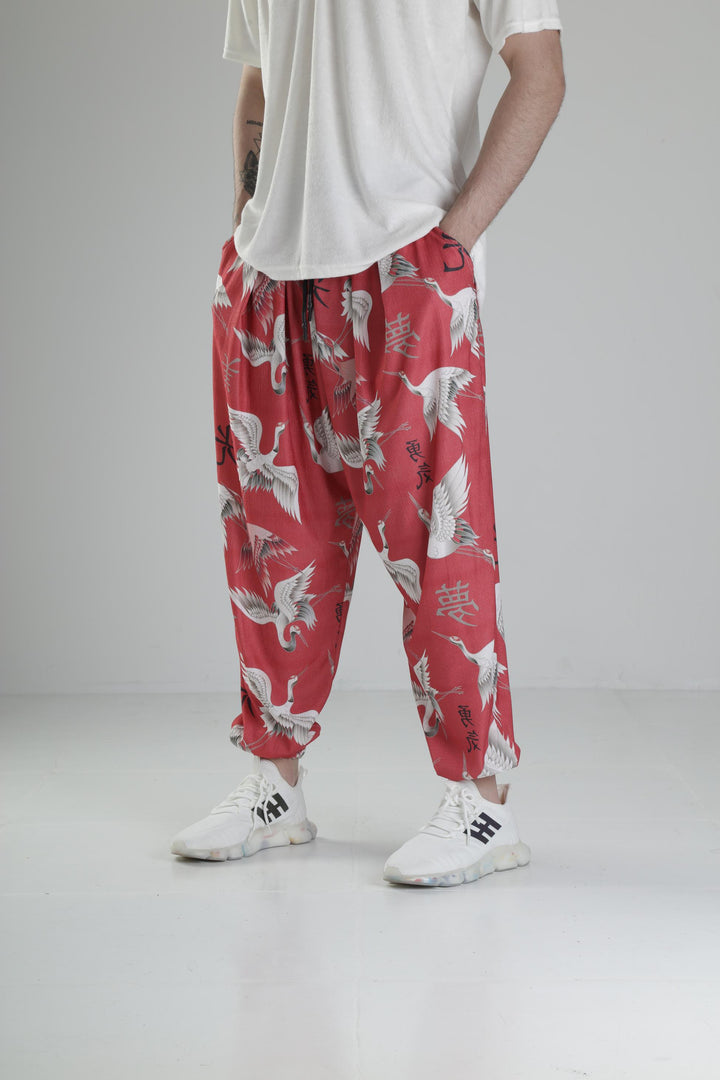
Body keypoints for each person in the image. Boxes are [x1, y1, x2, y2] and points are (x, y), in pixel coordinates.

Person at [170, 0, 566, 888]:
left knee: (437, 540)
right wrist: (246, 226)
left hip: (405, 266)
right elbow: (260, 80)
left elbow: (540, 72)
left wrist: (452, 245)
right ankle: (275, 785)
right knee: (272, 546)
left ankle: (482, 800)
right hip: (270, 276)